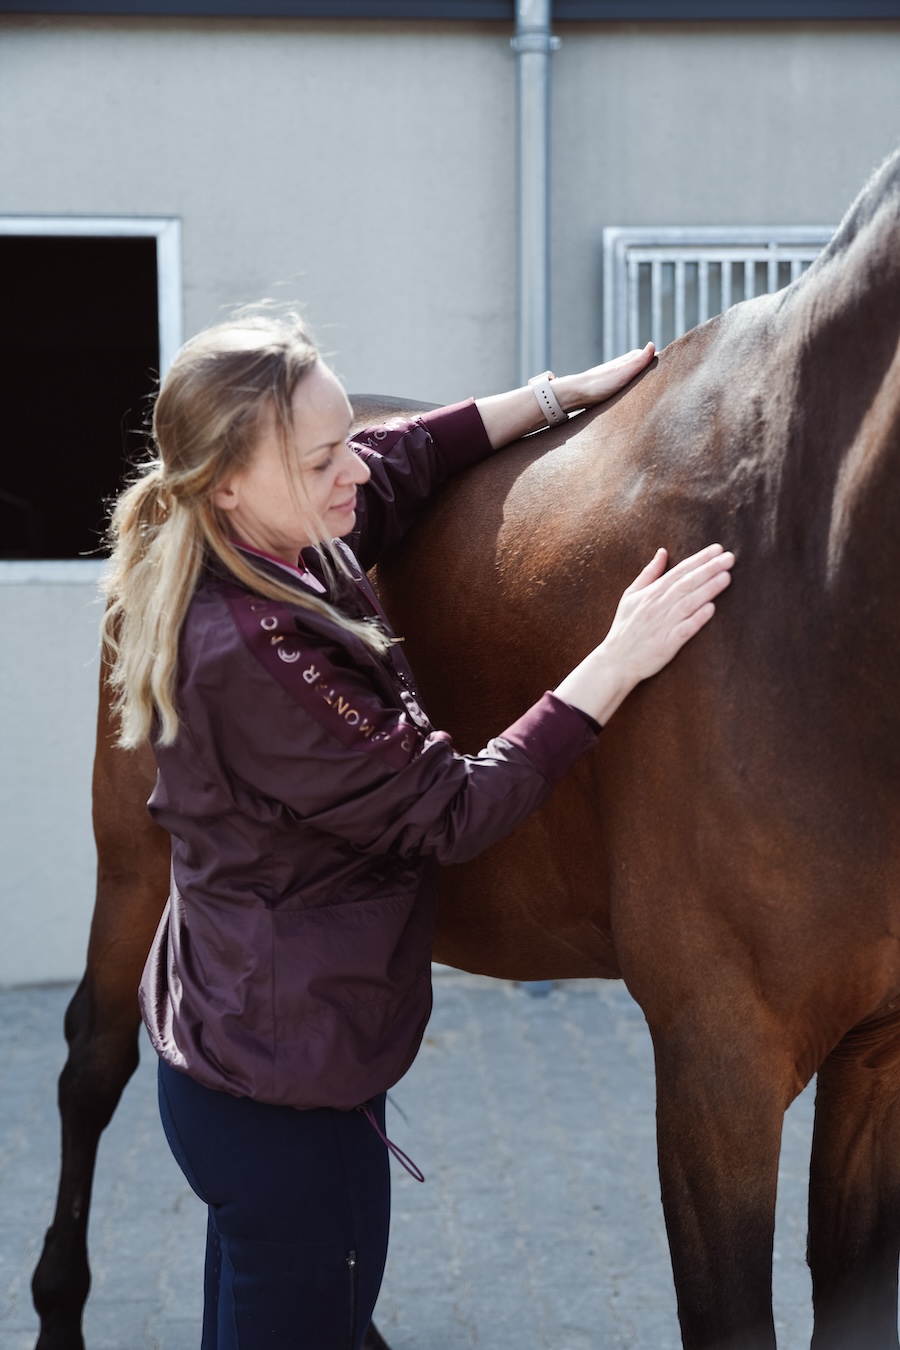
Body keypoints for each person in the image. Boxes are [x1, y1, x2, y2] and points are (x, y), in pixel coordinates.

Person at [101, 311, 734, 1350]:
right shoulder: (256, 654)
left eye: (345, 433)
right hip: (287, 1116)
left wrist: (552, 398)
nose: (350, 468)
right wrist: (616, 658)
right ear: (227, 481)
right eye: (320, 458)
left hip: (249, 1071)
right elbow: (450, 808)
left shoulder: (272, 539)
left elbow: (405, 461)